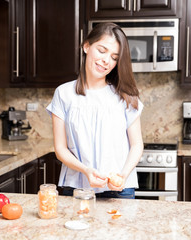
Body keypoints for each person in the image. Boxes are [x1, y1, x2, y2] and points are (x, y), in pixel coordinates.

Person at [46, 22, 144, 199]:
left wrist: (122, 175)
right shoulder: (63, 93)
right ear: (86, 46)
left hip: (119, 190)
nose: (107, 60)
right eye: (102, 50)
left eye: (114, 57)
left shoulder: (126, 95)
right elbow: (60, 149)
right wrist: (86, 171)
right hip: (76, 187)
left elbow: (137, 145)